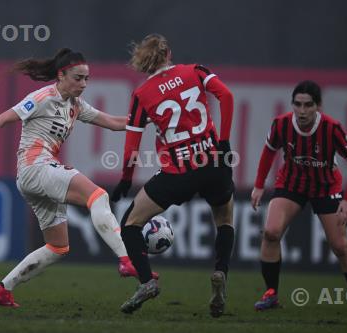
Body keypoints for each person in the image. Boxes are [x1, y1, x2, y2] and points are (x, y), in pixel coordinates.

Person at [0, 48, 156, 308]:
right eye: (77, 78)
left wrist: (149, 118)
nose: (83, 84)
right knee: (98, 195)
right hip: (35, 167)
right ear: (61, 75)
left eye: (86, 79)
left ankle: (2, 290)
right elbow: (0, 119)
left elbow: (114, 122)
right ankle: (127, 260)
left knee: (57, 247)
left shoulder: (75, 105)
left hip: (35, 176)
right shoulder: (43, 97)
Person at [110, 34, 235, 316]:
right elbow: (226, 95)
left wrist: (127, 179)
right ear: (169, 54)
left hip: (177, 172)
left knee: (130, 223)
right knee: (225, 220)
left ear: (143, 61)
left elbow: (132, 147)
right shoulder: (195, 71)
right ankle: (220, 273)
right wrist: (223, 143)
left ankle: (146, 282)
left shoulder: (142, 95)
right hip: (213, 162)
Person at [250, 80, 347, 316]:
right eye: (298, 104)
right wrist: (258, 185)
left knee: (340, 246)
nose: (302, 111)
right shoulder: (282, 124)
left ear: (318, 106)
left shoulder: (332, 128)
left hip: (326, 186)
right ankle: (271, 293)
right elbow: (268, 152)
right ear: (292, 104)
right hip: (291, 183)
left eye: (308, 105)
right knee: (271, 232)